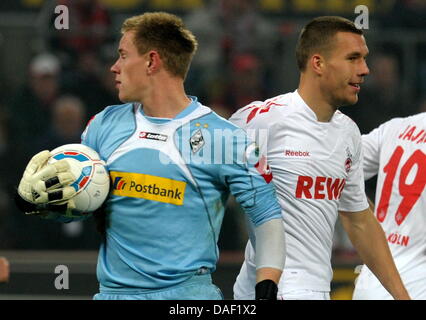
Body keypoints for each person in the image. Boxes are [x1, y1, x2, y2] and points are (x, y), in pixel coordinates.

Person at [15, 12, 286, 300]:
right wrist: (34, 201)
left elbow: (267, 215)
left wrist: (266, 285)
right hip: (113, 294)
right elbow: (78, 207)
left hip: (187, 298)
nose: (113, 67)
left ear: (151, 61)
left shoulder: (225, 138)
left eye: (122, 55)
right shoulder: (103, 125)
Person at [230, 16, 410, 300]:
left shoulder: (349, 134)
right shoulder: (262, 120)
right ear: (318, 63)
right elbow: (201, 180)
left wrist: (402, 297)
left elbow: (359, 220)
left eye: (364, 59)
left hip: (314, 289)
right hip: (265, 288)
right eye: (353, 58)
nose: (364, 70)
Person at [352, 112, 426, 299]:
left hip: (371, 285)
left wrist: (364, 215)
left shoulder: (395, 127)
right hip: (416, 288)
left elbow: (334, 167)